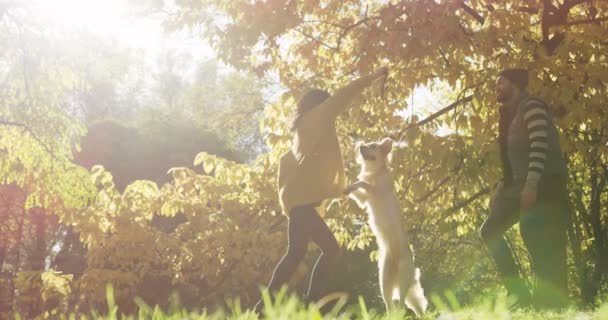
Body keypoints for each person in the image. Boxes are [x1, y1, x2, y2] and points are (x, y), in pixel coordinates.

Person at [255, 67, 388, 312]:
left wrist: (347, 187)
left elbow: (311, 172)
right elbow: (345, 94)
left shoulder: (305, 126)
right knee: (323, 250)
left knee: (299, 253)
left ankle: (267, 308)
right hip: (301, 206)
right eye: (327, 105)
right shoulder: (318, 117)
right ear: (320, 105)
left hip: (300, 205)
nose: (332, 110)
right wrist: (374, 75)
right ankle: (311, 304)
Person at [480, 68, 570, 309]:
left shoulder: (532, 106)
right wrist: (502, 186)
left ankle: (552, 306)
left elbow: (540, 144)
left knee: (538, 239)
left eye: (502, 82)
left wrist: (531, 185)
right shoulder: (508, 115)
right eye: (496, 83)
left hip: (545, 182)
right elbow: (512, 160)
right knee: (490, 230)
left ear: (516, 84)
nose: (496, 87)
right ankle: (519, 295)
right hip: (519, 184)